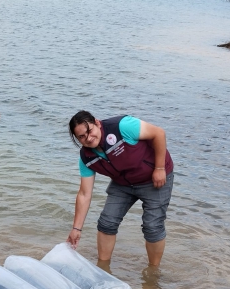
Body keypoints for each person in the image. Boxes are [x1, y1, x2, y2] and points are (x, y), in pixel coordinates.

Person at [66, 111, 174, 269]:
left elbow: (158, 133)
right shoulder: (86, 158)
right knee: (106, 223)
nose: (88, 138)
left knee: (152, 226)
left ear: (97, 123)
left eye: (89, 131)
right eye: (81, 137)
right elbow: (84, 194)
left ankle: (153, 271)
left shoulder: (121, 126)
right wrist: (76, 229)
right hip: (123, 183)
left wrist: (159, 168)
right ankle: (103, 268)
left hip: (154, 178)